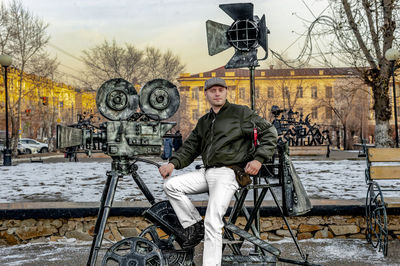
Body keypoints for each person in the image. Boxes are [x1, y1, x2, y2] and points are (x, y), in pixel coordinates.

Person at [159, 77, 277, 265]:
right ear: (206, 93)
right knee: (171, 185)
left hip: (229, 173)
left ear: (226, 92)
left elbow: (270, 132)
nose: (217, 93)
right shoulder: (205, 121)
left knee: (213, 221)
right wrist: (172, 164)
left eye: (220, 90)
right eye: (212, 90)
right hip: (207, 172)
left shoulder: (240, 113)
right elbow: (190, 147)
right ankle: (194, 226)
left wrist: (258, 159)